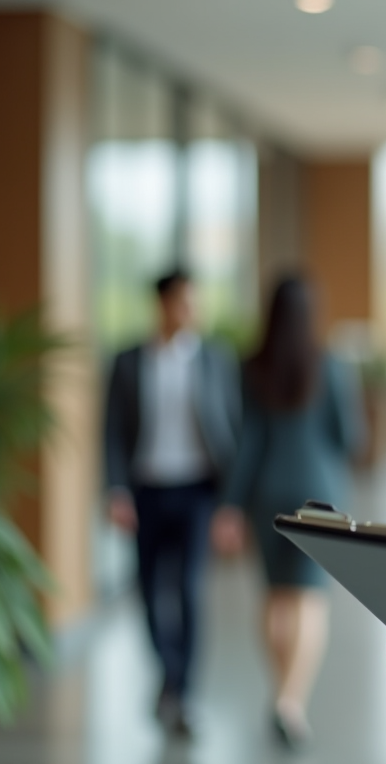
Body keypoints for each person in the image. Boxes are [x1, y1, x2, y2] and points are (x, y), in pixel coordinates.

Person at [210, 274, 366, 749]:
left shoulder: (250, 367)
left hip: (265, 495)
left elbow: (246, 444)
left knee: (275, 598)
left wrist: (231, 505)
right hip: (318, 494)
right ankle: (291, 702)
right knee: (309, 601)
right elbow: (350, 437)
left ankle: (281, 694)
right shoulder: (331, 366)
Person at [104, 269, 240, 737]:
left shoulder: (215, 359)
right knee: (146, 590)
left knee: (188, 589)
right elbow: (113, 433)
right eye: (183, 302)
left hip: (199, 491)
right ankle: (169, 671)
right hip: (145, 492)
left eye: (196, 303)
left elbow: (234, 433)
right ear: (161, 304)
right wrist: (116, 490)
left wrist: (230, 504)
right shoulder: (127, 360)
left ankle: (180, 692)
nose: (191, 312)